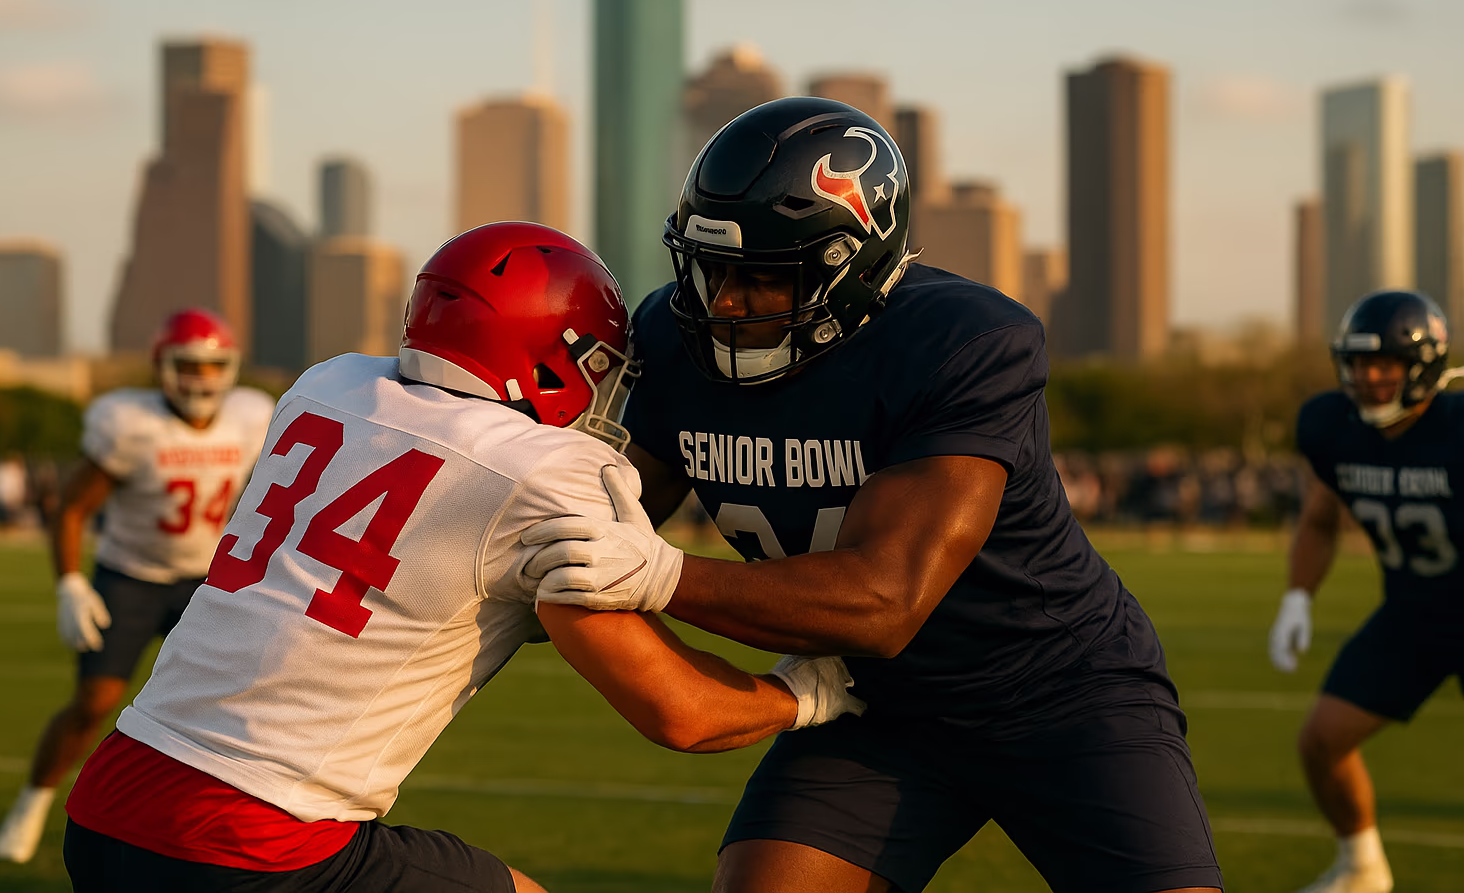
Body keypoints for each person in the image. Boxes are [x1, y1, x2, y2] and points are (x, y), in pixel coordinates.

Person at [526, 97, 1223, 893]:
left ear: (854, 268)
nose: (722, 302)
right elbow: (600, 523)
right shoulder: (671, 339)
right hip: (865, 703)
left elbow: (884, 601)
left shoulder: (962, 341)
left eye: (760, 276)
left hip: (1056, 692)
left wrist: (659, 575)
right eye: (710, 266)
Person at [60, 223, 862, 893]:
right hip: (257, 839)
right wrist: (797, 696)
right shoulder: (544, 472)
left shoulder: (326, 386)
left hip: (106, 804)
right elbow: (678, 713)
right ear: (554, 356)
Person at [0, 308, 274, 864]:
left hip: (206, 580)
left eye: (214, 366)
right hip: (132, 577)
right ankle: (32, 801)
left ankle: (205, 822)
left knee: (230, 705)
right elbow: (72, 508)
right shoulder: (129, 422)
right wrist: (70, 583)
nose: (202, 379)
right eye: (189, 365)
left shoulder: (249, 417)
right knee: (93, 702)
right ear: (162, 367)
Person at [1268, 289, 1463, 893]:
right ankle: (1362, 867)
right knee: (1322, 742)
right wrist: (1298, 596)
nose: (1369, 378)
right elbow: (1321, 520)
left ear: (1423, 367)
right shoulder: (1334, 428)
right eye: (1358, 364)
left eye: (1385, 365)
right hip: (1414, 614)